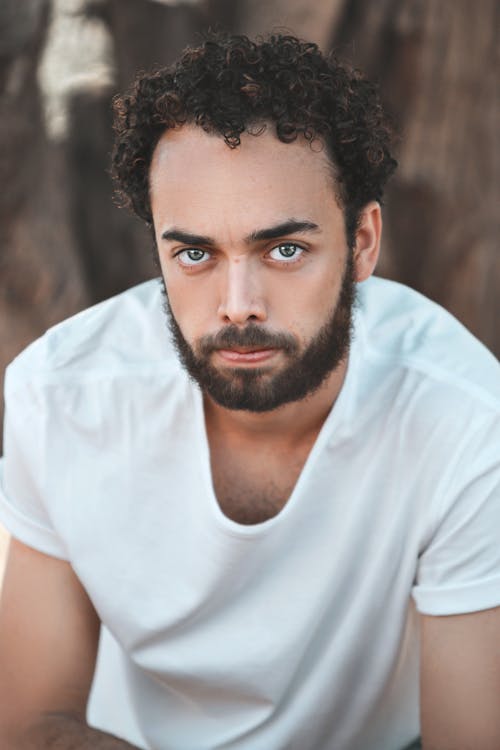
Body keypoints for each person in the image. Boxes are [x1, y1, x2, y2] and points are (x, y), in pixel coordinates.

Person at [0, 31, 499, 750]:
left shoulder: (464, 419)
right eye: (195, 253)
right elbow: (31, 723)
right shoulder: (62, 398)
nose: (238, 305)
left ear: (363, 242)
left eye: (285, 249)